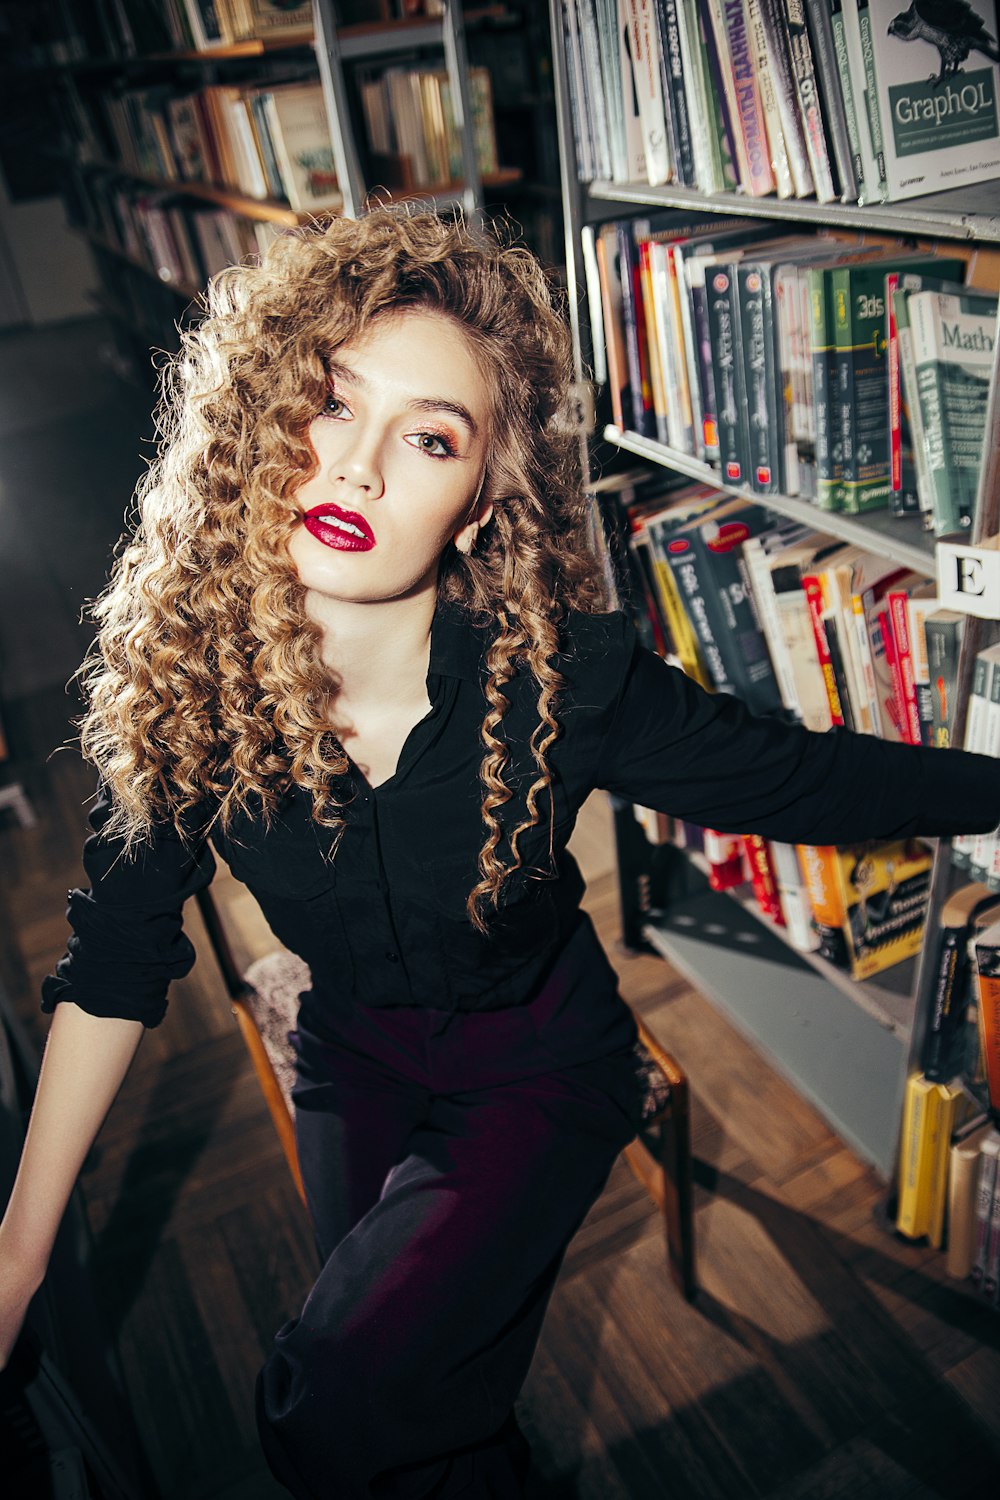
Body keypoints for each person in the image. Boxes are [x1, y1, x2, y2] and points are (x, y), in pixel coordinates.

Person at [0, 206, 997, 1499]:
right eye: (327, 405)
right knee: (418, 1405)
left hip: (540, 1063)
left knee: (329, 1406)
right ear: (254, 428)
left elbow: (802, 777)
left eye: (427, 440)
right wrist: (19, 1253)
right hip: (351, 1057)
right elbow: (115, 959)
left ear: (477, 507)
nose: (355, 468)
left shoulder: (561, 683)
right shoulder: (189, 691)